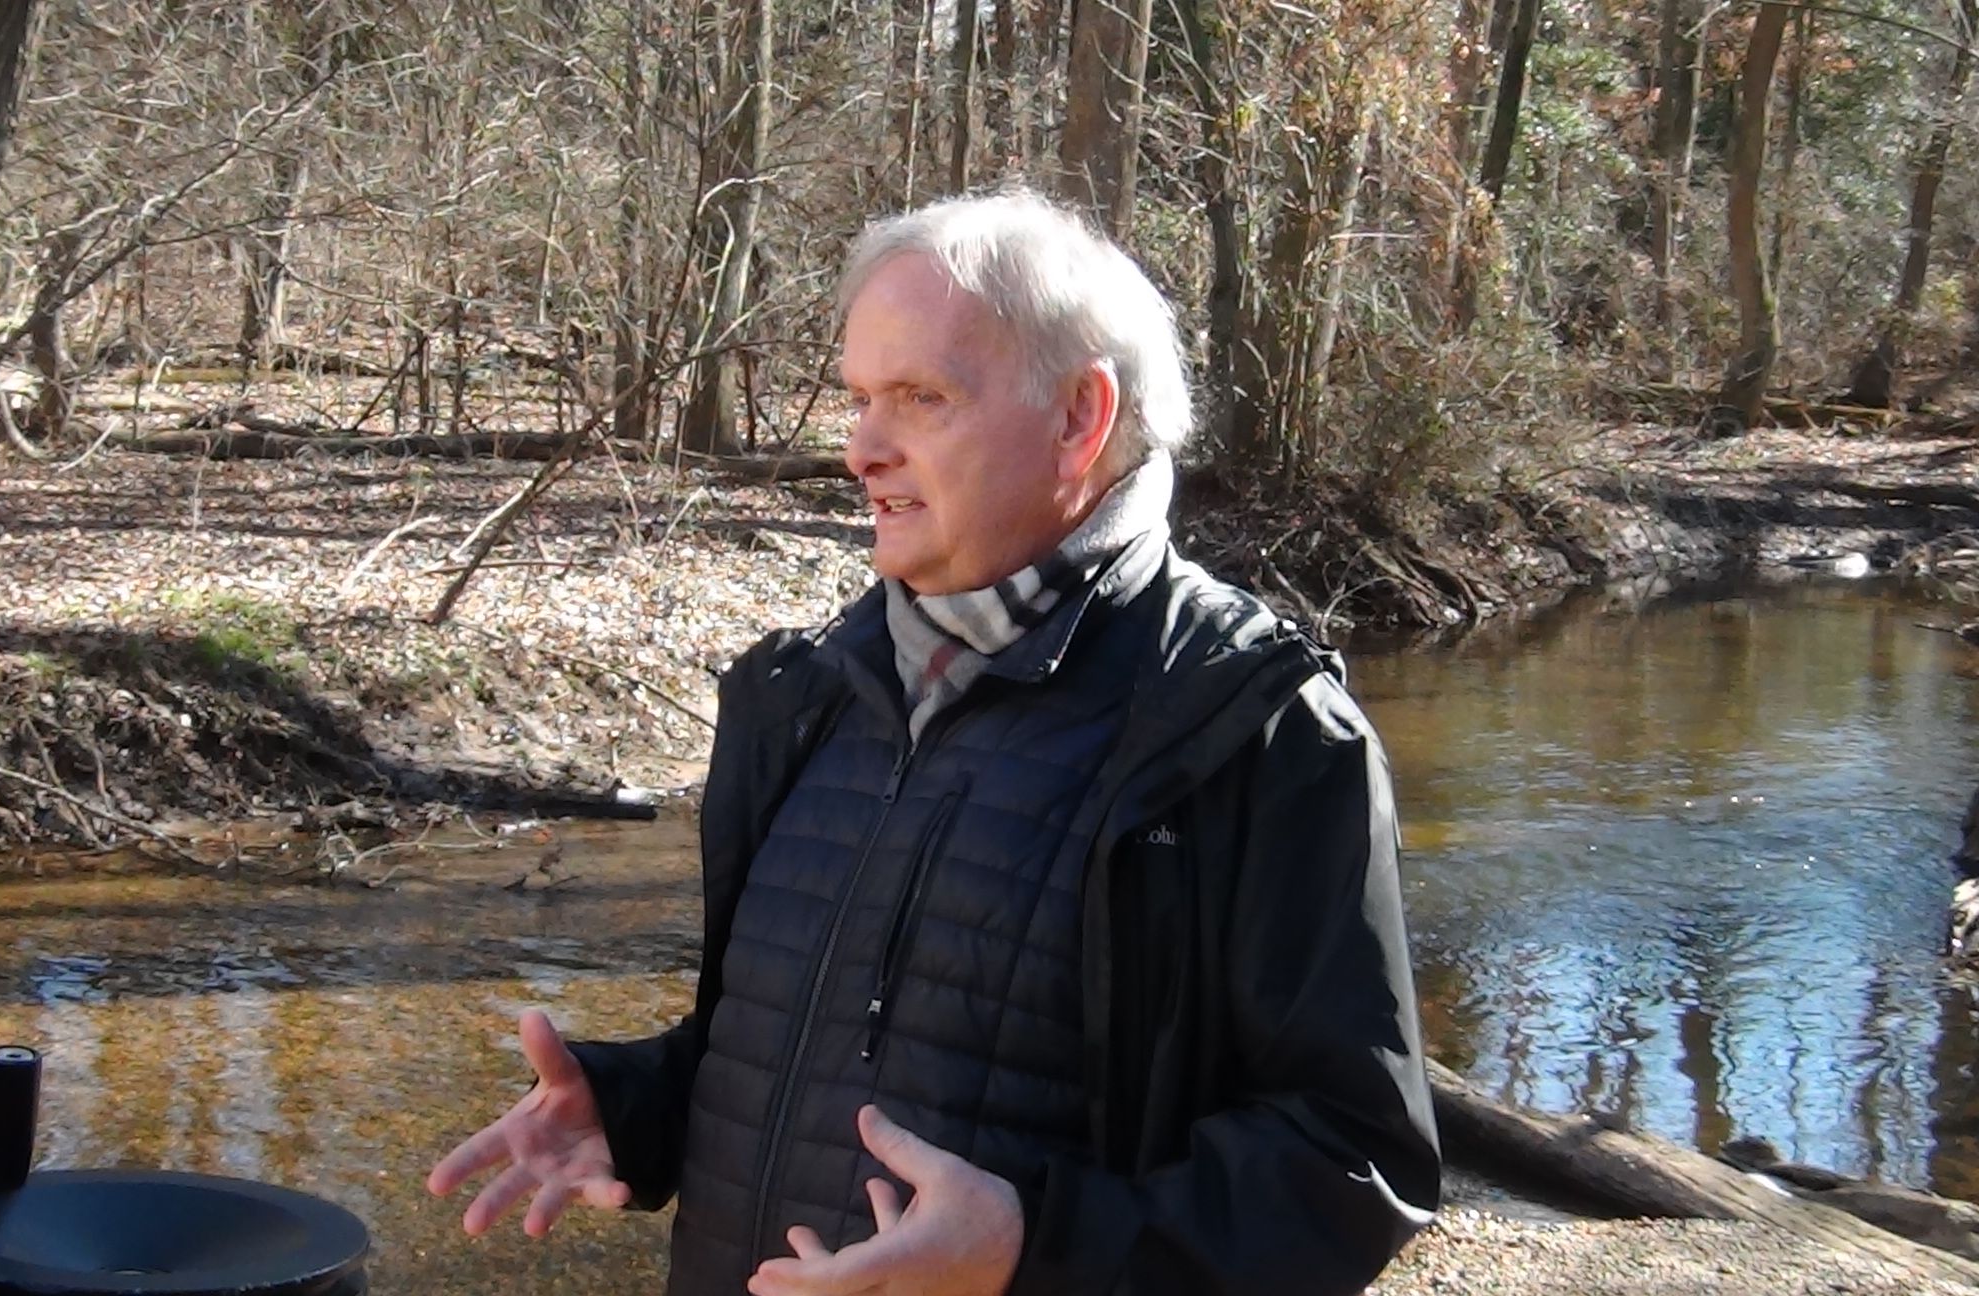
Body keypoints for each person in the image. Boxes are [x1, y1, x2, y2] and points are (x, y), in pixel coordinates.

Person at [428, 187, 1440, 1296]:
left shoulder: (1250, 725)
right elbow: (818, 1051)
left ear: (1079, 417)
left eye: (920, 398)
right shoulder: (803, 697)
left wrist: (1029, 1251)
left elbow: (1354, 1170)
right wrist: (635, 1110)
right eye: (860, 398)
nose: (861, 449)